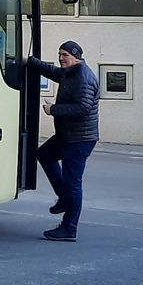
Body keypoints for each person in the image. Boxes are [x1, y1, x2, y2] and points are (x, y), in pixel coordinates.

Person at [29, 39, 99, 242]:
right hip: (68, 136)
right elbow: (52, 71)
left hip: (79, 139)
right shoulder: (70, 72)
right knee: (44, 155)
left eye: (65, 55)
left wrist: (53, 110)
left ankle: (69, 228)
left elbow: (83, 108)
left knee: (73, 182)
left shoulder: (83, 78)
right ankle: (64, 198)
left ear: (76, 57)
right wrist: (29, 61)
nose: (61, 58)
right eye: (60, 54)